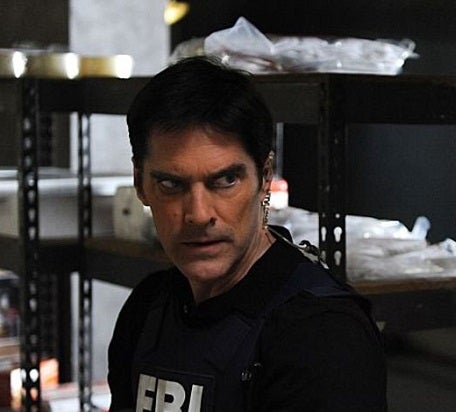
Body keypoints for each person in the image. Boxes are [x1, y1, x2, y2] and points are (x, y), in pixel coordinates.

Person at [107, 56, 387, 412]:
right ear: (140, 184)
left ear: (265, 177)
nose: (199, 215)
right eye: (171, 184)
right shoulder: (148, 308)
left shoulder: (322, 333)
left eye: (225, 180)